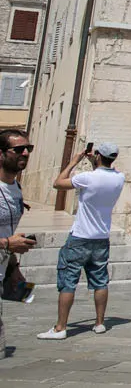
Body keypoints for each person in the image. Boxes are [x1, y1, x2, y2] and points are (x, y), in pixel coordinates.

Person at [39, 142, 127, 340]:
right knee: (100, 281)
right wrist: (95, 160)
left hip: (80, 236)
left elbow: (58, 183)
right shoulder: (119, 178)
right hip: (101, 238)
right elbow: (105, 172)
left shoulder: (87, 178)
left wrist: (75, 161)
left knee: (68, 282)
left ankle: (61, 327)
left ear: (97, 155)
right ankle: (99, 323)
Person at [0, 130, 36, 357]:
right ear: (1, 154)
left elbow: (7, 232)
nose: (25, 153)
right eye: (18, 149)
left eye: (28, 149)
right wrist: (6, 243)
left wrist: (13, 267)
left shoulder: (16, 189)